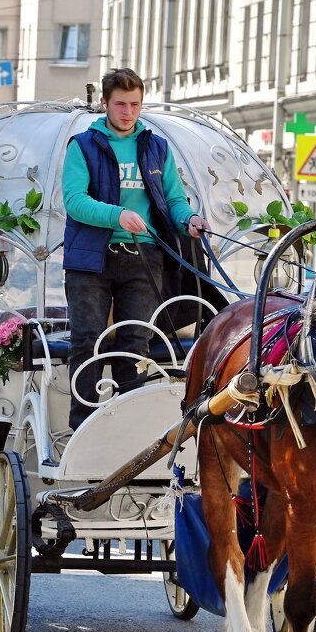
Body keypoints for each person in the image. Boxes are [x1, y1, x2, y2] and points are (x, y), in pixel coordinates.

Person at [60, 67, 210, 429]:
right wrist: (118, 215)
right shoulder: (83, 145)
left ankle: (127, 429)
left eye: (135, 104)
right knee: (87, 341)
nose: (128, 112)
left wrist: (189, 219)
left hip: (144, 258)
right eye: (121, 104)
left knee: (136, 342)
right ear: (105, 104)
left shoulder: (156, 147)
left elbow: (173, 199)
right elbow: (74, 201)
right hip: (90, 261)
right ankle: (83, 426)